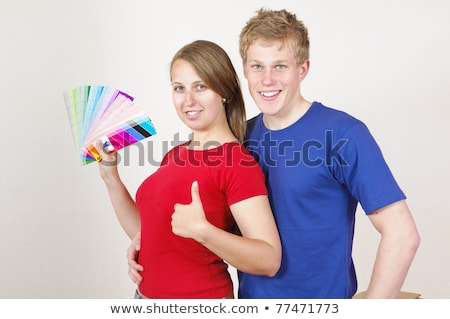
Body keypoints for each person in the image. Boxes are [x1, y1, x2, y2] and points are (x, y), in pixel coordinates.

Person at [128, 8, 420, 299]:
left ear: (302, 69)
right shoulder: (239, 138)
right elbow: (204, 225)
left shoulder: (343, 134)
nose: (267, 79)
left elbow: (402, 234)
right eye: (257, 67)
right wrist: (146, 248)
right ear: (244, 71)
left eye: (280, 66)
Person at [97, 39, 281, 299]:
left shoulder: (237, 163)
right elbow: (147, 233)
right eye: (179, 88)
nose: (189, 100)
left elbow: (268, 259)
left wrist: (203, 231)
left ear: (224, 91)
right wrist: (111, 178)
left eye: (201, 86)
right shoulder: (174, 155)